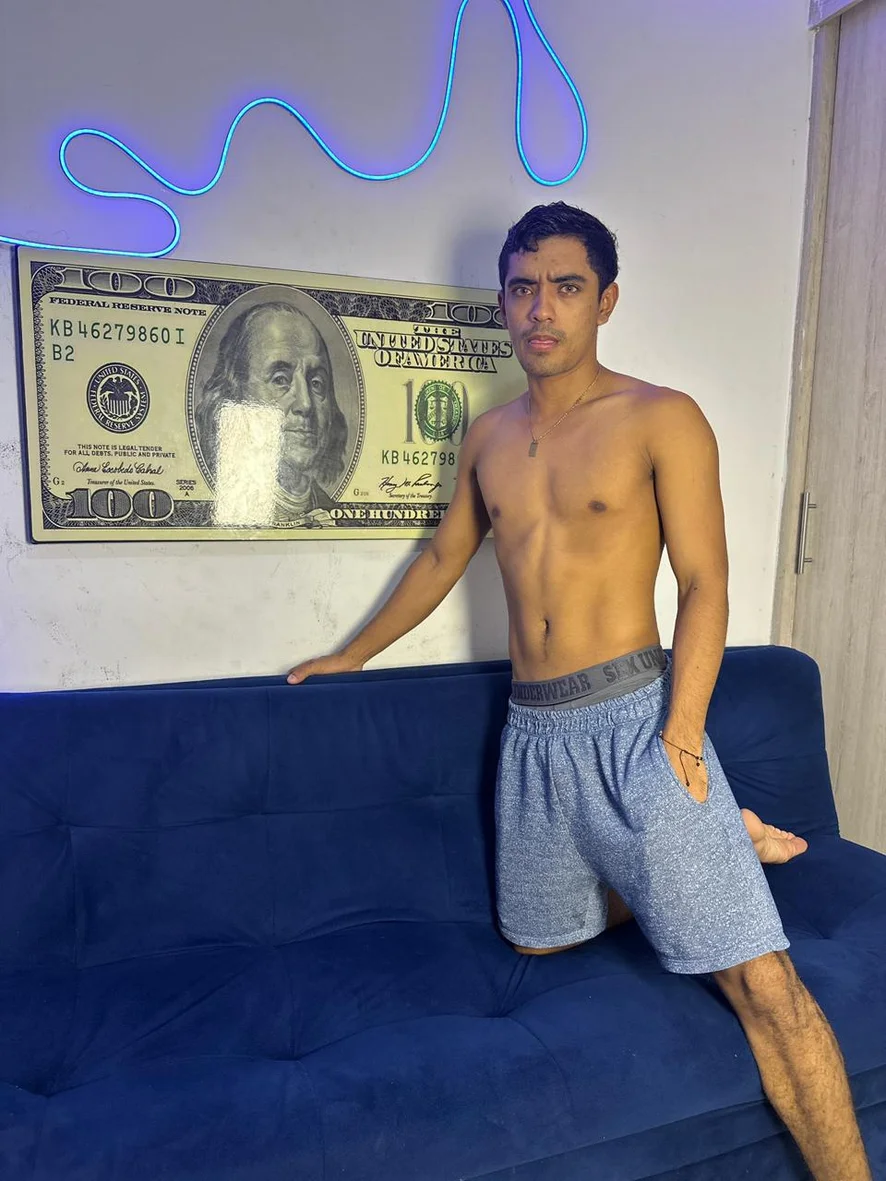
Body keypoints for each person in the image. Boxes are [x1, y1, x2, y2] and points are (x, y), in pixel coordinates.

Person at [286, 203, 870, 1180]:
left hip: (639, 721)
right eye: (522, 288)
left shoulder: (660, 417)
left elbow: (705, 582)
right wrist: (353, 655)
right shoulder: (487, 437)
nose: (540, 308)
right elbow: (442, 556)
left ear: (606, 300)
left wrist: (683, 733)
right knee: (540, 939)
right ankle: (726, 841)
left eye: (564, 286)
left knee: (766, 988)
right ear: (503, 303)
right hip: (534, 737)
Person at [195, 300, 348, 518]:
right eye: (280, 380)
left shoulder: (337, 518)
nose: (305, 404)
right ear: (235, 394)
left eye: (316, 383)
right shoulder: (206, 513)